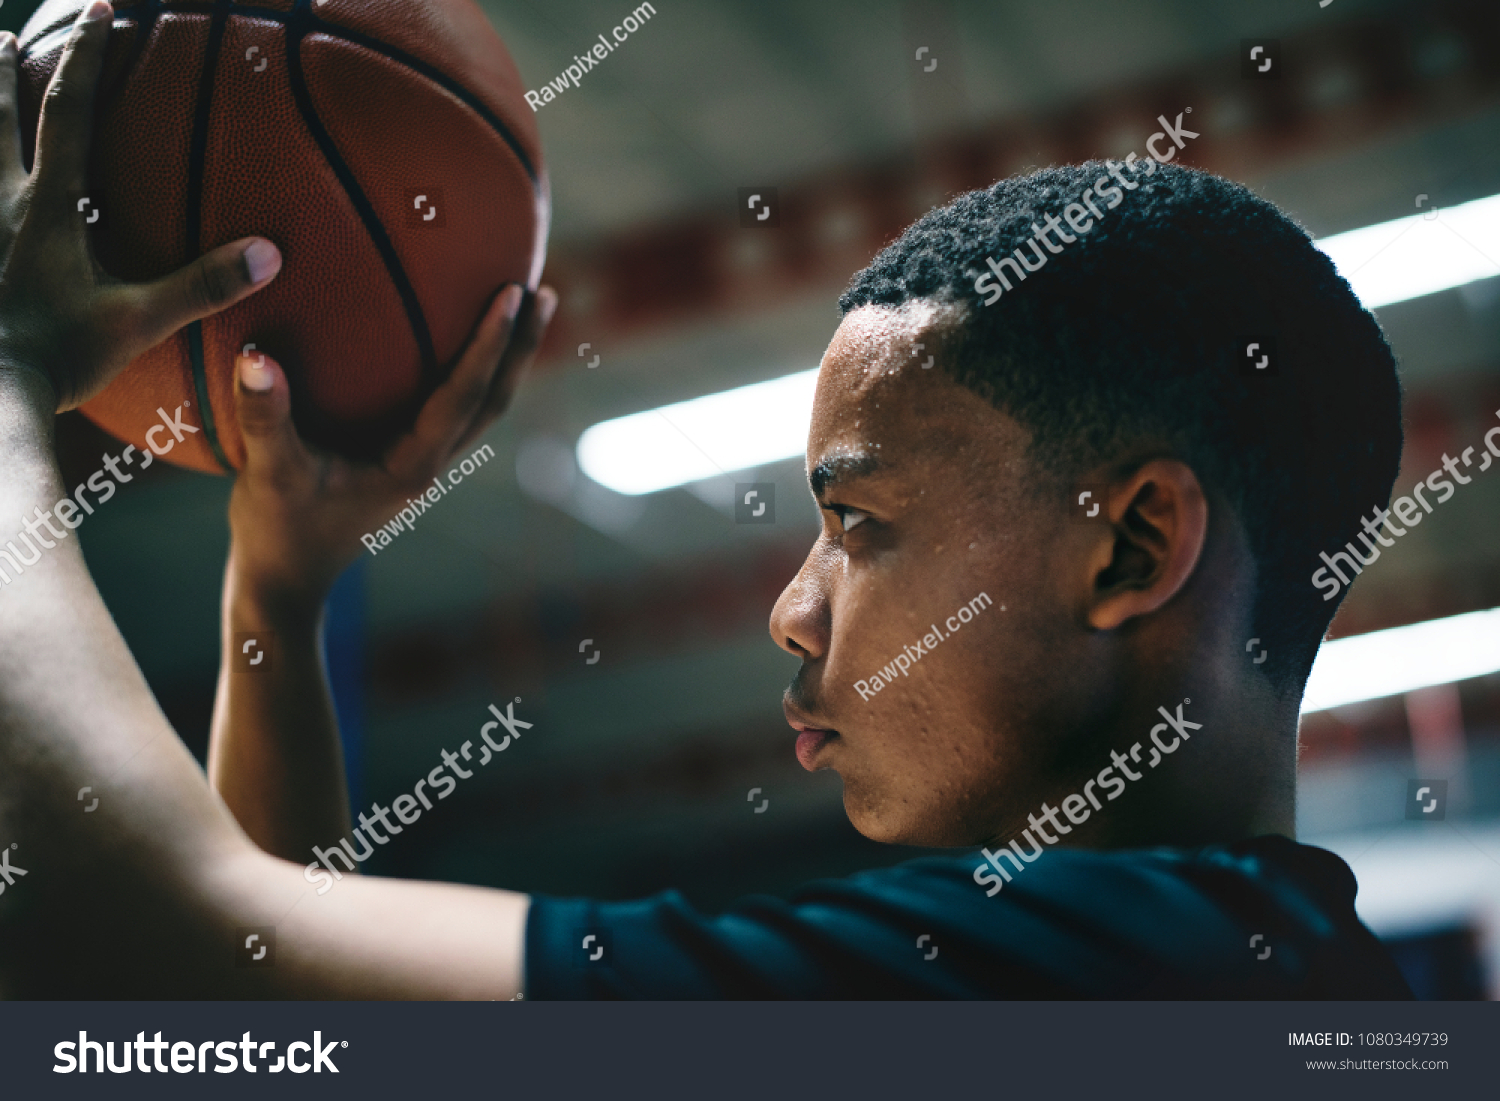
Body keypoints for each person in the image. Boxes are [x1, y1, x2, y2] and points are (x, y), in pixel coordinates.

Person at [0, 3, 1411, 998]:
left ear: (1137, 542)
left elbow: (171, 961)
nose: (793, 610)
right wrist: (282, 581)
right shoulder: (1275, 977)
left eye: (858, 522)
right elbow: (278, 1023)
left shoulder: (1094, 969)